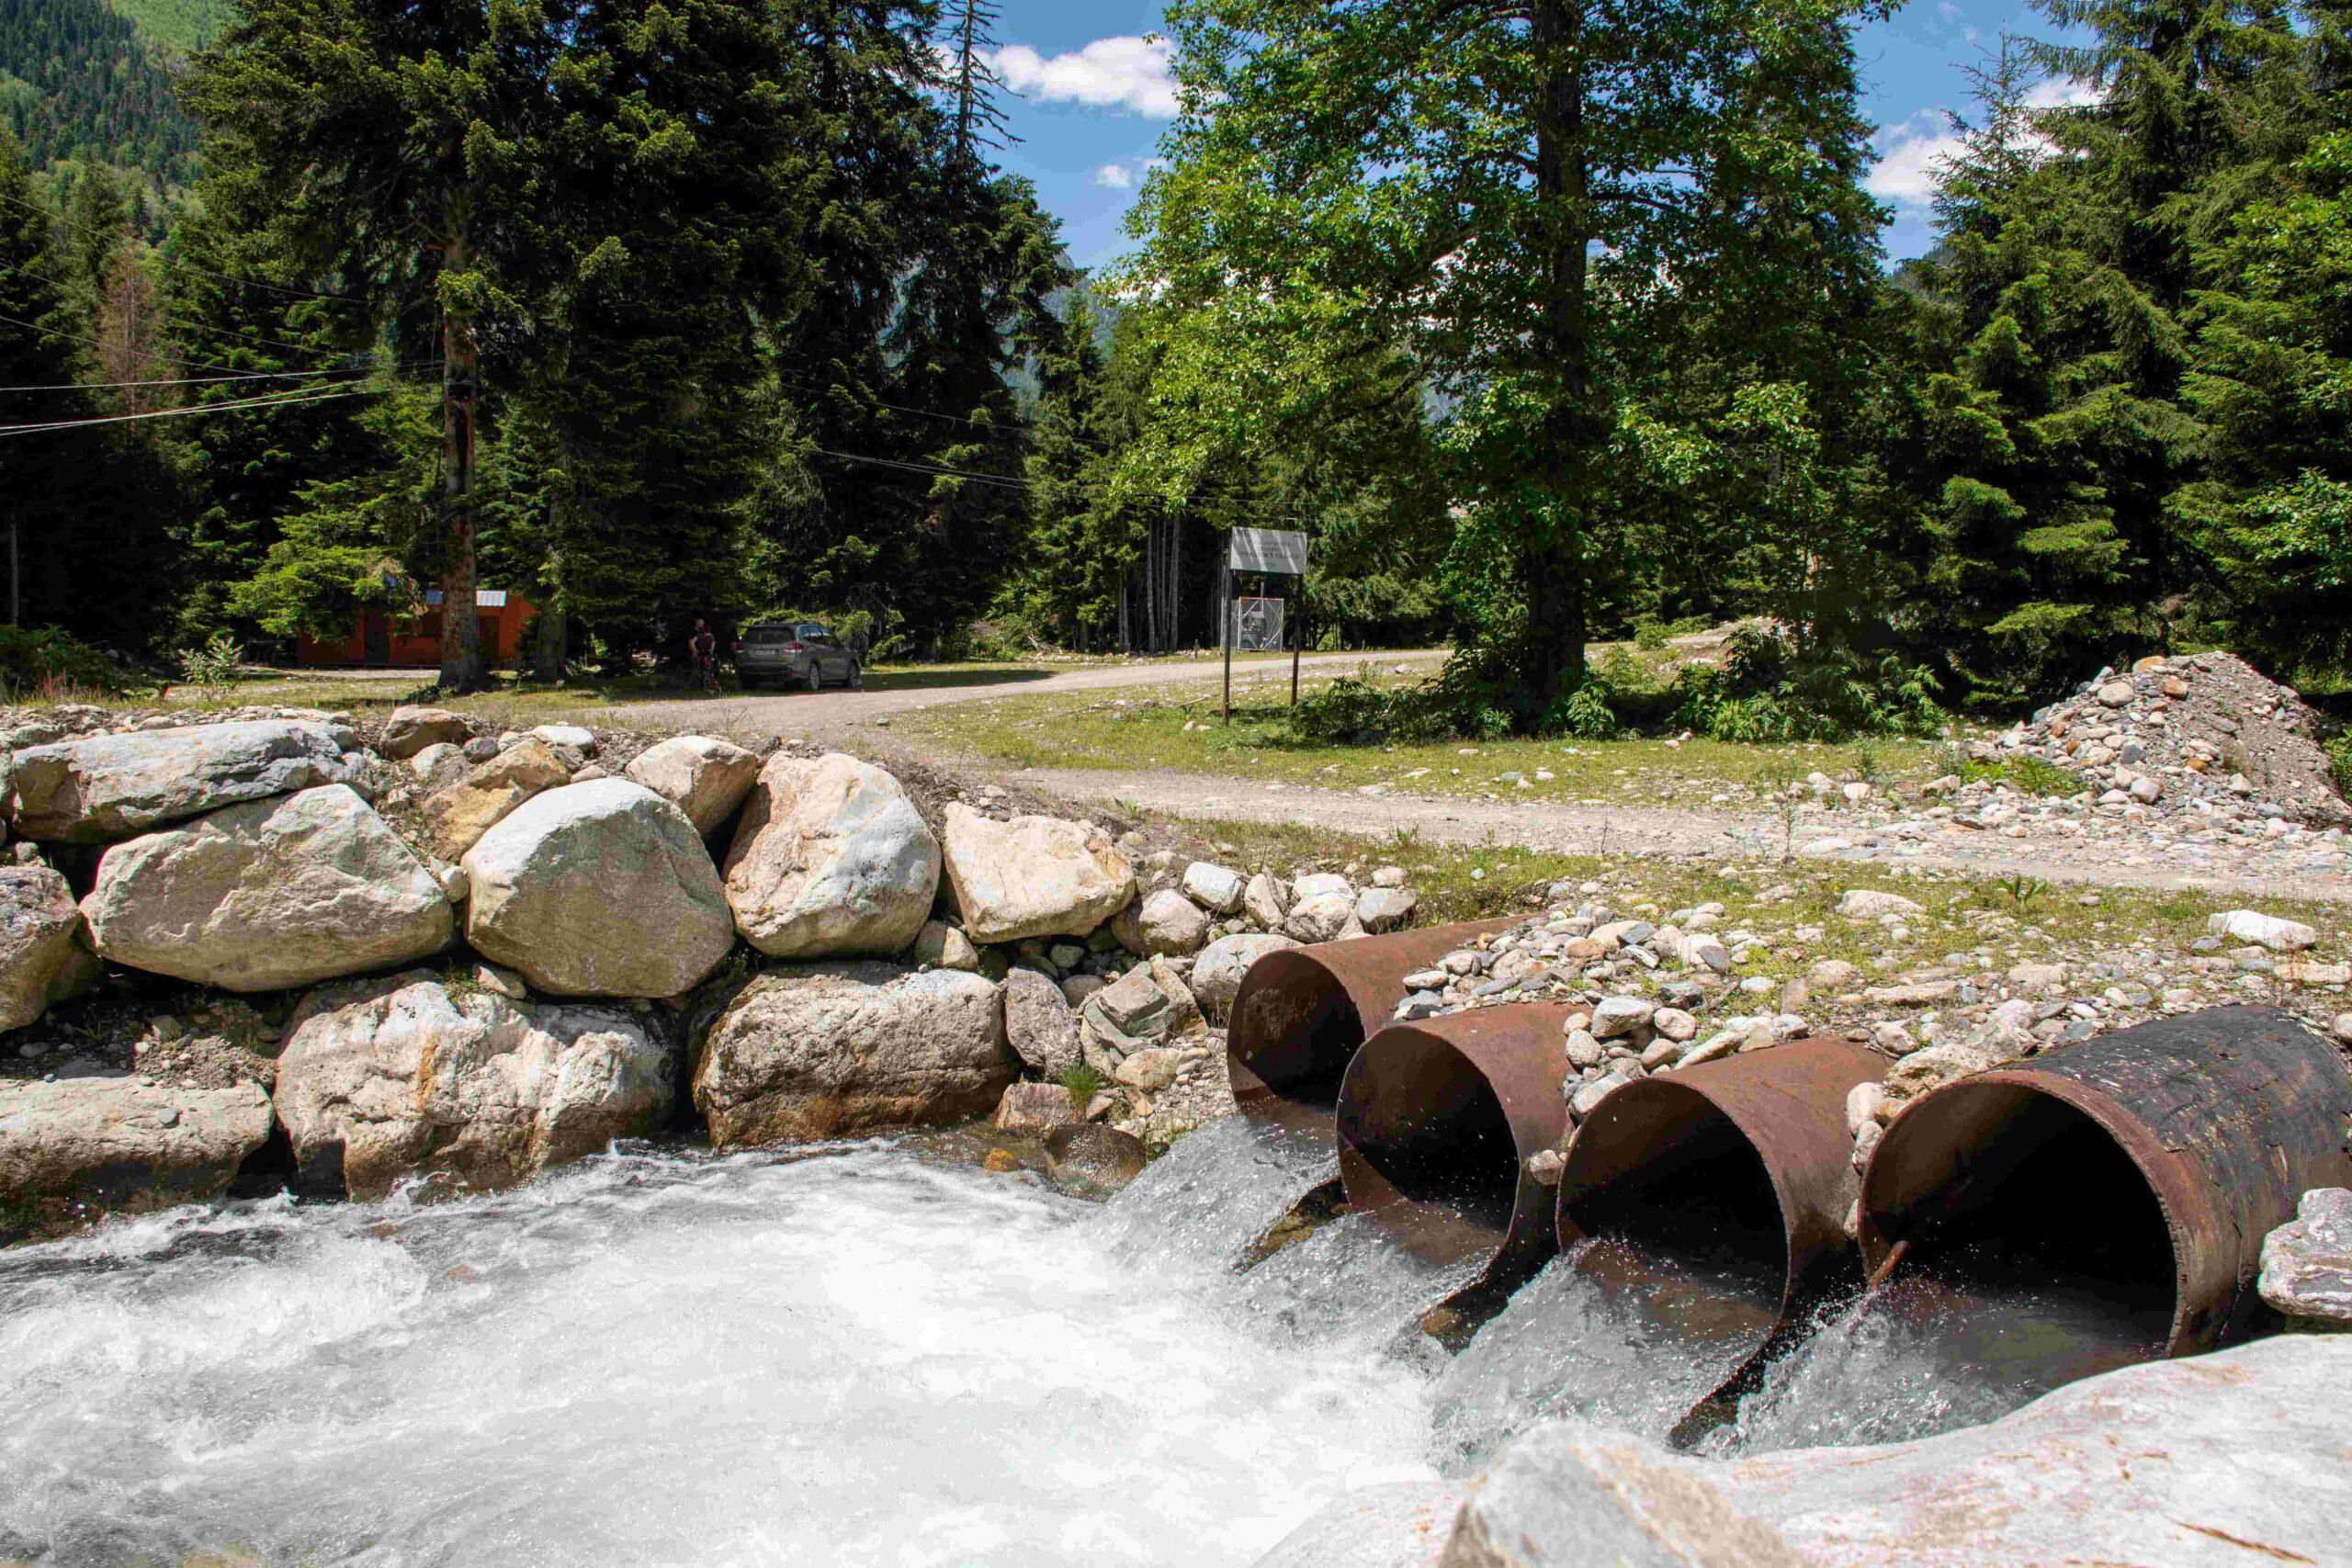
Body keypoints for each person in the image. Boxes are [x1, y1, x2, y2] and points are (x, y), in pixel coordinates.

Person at [689, 619, 718, 692]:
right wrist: (711, 651)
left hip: (700, 653)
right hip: (707, 654)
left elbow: (692, 642)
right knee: (710, 668)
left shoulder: (699, 635)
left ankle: (701, 684)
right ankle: (711, 682)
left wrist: (695, 650)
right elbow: (713, 645)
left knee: (700, 668)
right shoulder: (711, 636)